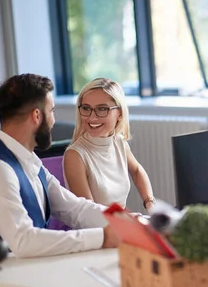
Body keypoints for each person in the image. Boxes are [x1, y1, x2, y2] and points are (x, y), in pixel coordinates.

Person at [0, 74, 119, 258]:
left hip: (33, 273)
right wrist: (102, 238)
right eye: (52, 111)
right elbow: (24, 241)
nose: (53, 121)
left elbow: (74, 208)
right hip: (2, 281)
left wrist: (129, 223)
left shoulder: (28, 160)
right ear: (37, 116)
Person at [63, 77, 155, 211]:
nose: (92, 117)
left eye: (102, 109)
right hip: (97, 229)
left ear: (120, 113)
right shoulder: (75, 155)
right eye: (86, 108)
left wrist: (150, 203)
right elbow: (90, 215)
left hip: (120, 223)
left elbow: (136, 171)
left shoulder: (119, 142)